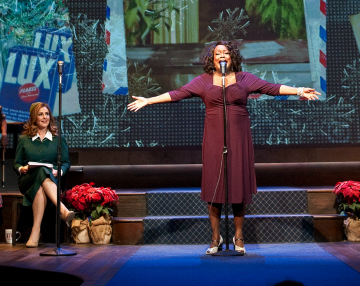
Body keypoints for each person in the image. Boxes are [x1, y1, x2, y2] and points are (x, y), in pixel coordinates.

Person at [127, 41, 320, 255]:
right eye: (218, 53)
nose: (222, 56)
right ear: (211, 58)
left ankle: (238, 236)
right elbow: (177, 94)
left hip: (239, 138)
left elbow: (272, 88)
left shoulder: (245, 78)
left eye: (226, 53)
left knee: (237, 185)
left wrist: (299, 90)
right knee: (214, 185)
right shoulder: (203, 81)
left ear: (232, 57)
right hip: (214, 138)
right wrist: (149, 100)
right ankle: (215, 237)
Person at [14, 101, 74, 248]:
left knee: (41, 183)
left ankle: (35, 232)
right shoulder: (24, 139)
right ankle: (62, 210)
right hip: (28, 179)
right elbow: (16, 163)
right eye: (40, 114)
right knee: (40, 171)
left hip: (50, 179)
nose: (44, 117)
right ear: (34, 117)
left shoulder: (58, 140)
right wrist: (23, 169)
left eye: (47, 114)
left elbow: (66, 163)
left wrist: (57, 171)